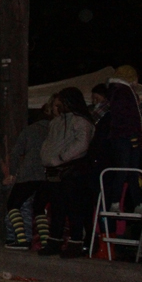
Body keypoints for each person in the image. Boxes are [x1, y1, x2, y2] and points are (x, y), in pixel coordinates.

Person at [38, 87, 96, 257]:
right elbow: (49, 142)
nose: (60, 105)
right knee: (57, 209)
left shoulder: (81, 121)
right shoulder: (55, 122)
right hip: (55, 170)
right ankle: (54, 242)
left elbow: (82, 144)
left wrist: (61, 157)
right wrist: (47, 157)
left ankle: (75, 243)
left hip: (73, 171)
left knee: (74, 209)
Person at [3, 98, 53, 250]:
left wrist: (12, 173)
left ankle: (21, 239)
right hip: (48, 173)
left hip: (29, 173)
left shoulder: (31, 130)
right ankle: (45, 242)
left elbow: (16, 152)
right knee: (39, 208)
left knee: (13, 204)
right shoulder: (55, 130)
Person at [106, 65, 142, 211]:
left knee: (129, 170)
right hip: (126, 137)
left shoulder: (118, 91)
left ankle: (136, 203)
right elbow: (127, 117)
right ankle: (117, 202)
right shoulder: (124, 91)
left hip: (123, 136)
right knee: (126, 170)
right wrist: (133, 135)